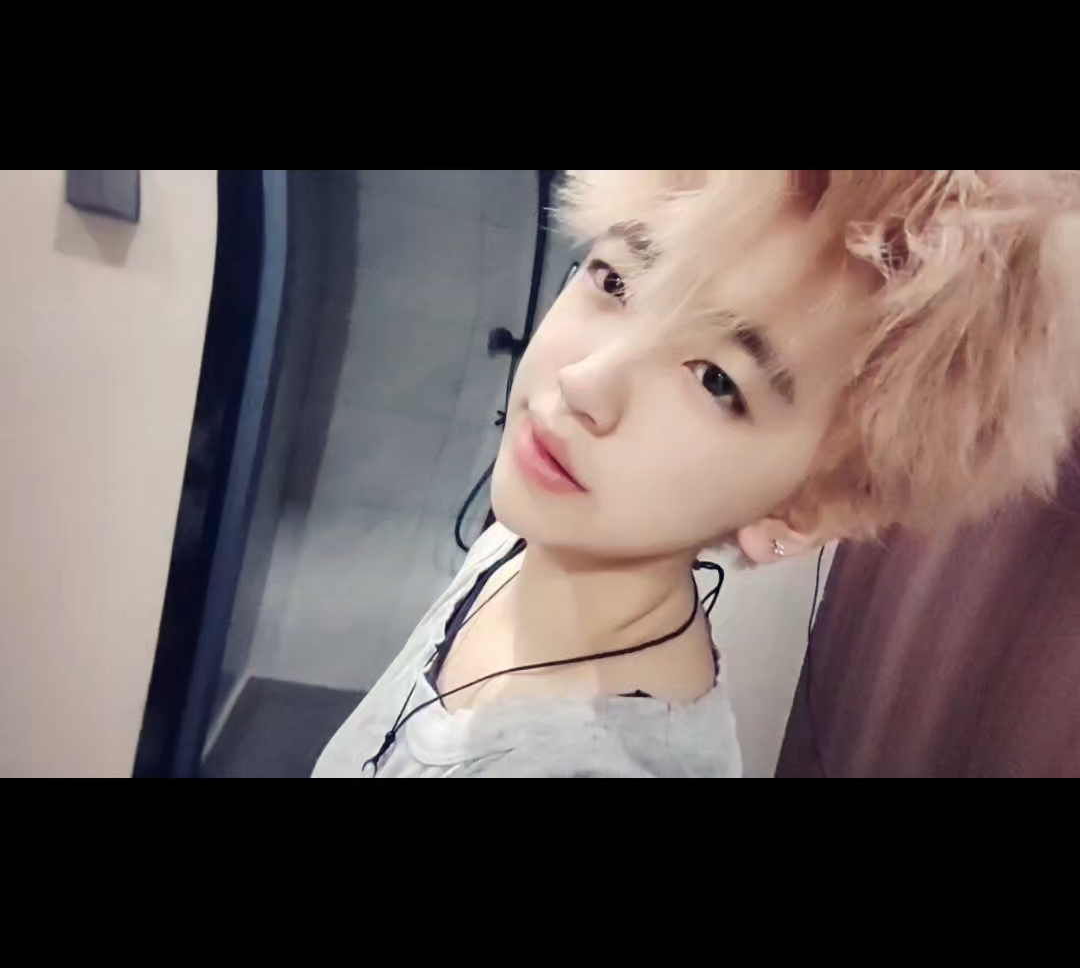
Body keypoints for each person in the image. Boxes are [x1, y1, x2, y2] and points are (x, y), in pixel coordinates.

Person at [314, 169, 1080, 780]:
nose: (585, 382)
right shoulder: (529, 538)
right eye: (616, 282)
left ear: (807, 509)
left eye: (716, 379)